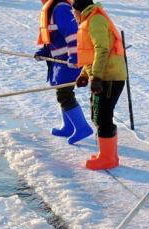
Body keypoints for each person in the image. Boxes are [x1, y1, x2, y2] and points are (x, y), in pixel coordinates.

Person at [71, 0, 127, 170]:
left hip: (109, 76)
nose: (74, 17)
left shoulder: (95, 20)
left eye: (74, 13)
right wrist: (84, 75)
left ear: (79, 10)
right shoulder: (90, 19)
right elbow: (90, 54)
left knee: (103, 116)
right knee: (99, 114)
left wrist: (96, 77)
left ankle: (108, 158)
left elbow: (102, 49)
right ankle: (108, 154)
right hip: (103, 75)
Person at [35, 0, 93, 144]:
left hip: (70, 60)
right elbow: (53, 37)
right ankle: (68, 127)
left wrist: (74, 57)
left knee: (64, 94)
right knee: (62, 92)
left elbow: (73, 34)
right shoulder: (53, 9)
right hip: (60, 61)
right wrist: (44, 52)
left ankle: (82, 127)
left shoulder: (61, 9)